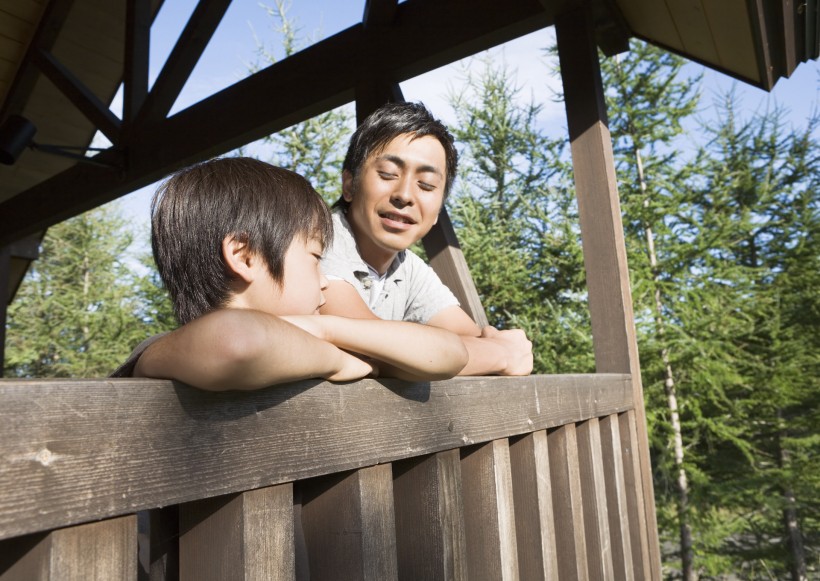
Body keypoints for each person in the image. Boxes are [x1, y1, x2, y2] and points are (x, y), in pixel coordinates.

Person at [111, 157, 468, 389]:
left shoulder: (301, 342)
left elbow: (450, 352)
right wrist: (337, 358)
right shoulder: (159, 355)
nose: (324, 278)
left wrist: (324, 328)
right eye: (315, 258)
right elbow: (238, 340)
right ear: (244, 255)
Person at [320, 102, 533, 376]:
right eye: (388, 174)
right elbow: (371, 350)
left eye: (427, 185)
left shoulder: (409, 268)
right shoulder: (317, 241)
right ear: (349, 184)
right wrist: (504, 354)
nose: (405, 195)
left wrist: (480, 352)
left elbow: (473, 338)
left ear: (437, 212)